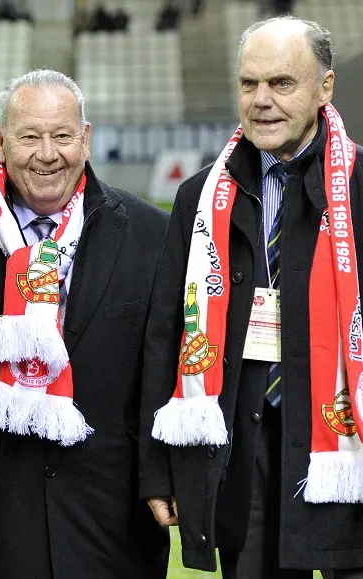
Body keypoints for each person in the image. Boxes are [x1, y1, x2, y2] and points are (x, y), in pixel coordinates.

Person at [141, 16, 363, 579]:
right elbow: (166, 333)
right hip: (244, 451)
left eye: (282, 84)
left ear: (325, 87)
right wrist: (158, 470)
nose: (261, 100)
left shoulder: (360, 186)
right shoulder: (199, 196)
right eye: (249, 84)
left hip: (347, 448)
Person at [0, 69, 170, 579]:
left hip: (114, 530)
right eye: (29, 137)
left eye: (63, 136)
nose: (47, 154)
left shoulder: (150, 234)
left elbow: (161, 373)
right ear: (0, 142)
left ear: (86, 138)